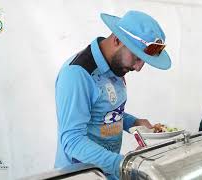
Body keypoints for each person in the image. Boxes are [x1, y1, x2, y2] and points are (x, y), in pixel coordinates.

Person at [54, 10, 171, 180]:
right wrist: (125, 165)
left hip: (108, 172)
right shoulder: (77, 74)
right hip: (81, 175)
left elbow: (104, 111)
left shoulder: (116, 65)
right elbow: (72, 141)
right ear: (117, 40)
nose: (138, 68)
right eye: (137, 58)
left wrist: (133, 122)